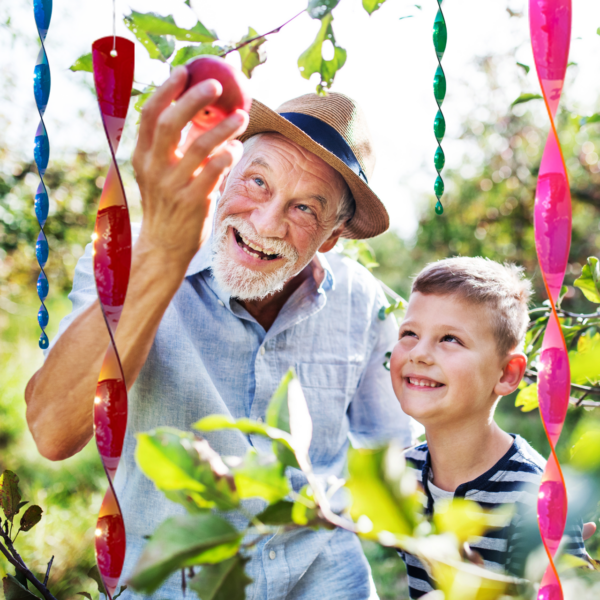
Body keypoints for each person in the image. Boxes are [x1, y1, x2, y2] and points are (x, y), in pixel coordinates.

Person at [25, 68, 417, 599]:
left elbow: (394, 454)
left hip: (326, 577)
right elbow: (54, 431)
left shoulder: (362, 301)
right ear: (228, 174)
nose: (267, 222)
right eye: (258, 181)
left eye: (305, 208)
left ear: (332, 236)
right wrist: (162, 255)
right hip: (179, 581)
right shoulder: (122, 260)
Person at [388, 257, 589, 599]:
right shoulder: (403, 474)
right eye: (409, 333)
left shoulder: (533, 494)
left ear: (507, 374)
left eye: (450, 339)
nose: (419, 353)